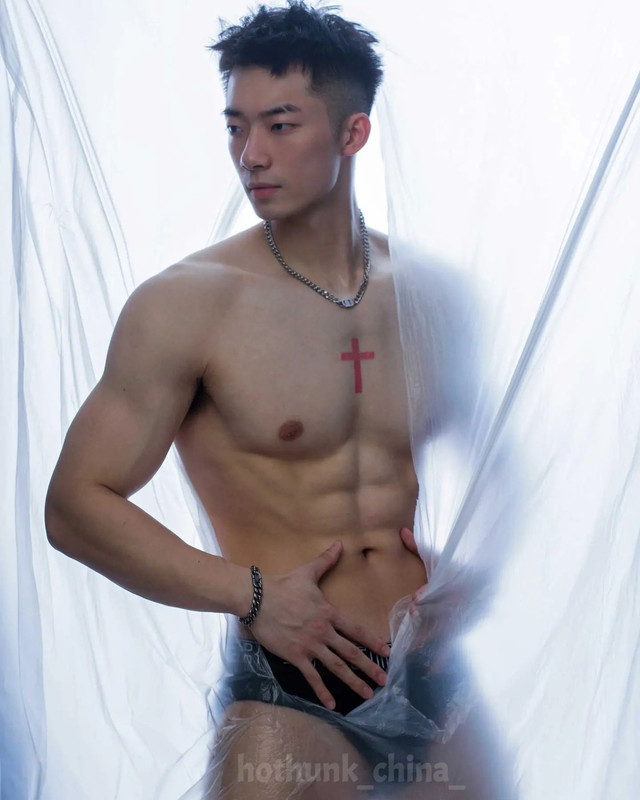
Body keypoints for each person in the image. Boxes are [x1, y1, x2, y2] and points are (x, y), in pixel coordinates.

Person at [45, 3, 512, 797]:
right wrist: (252, 594)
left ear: (353, 133)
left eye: (280, 125)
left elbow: (501, 456)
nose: (250, 154)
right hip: (292, 687)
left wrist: (481, 572)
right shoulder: (188, 305)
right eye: (236, 127)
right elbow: (74, 506)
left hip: (433, 673)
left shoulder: (426, 294)